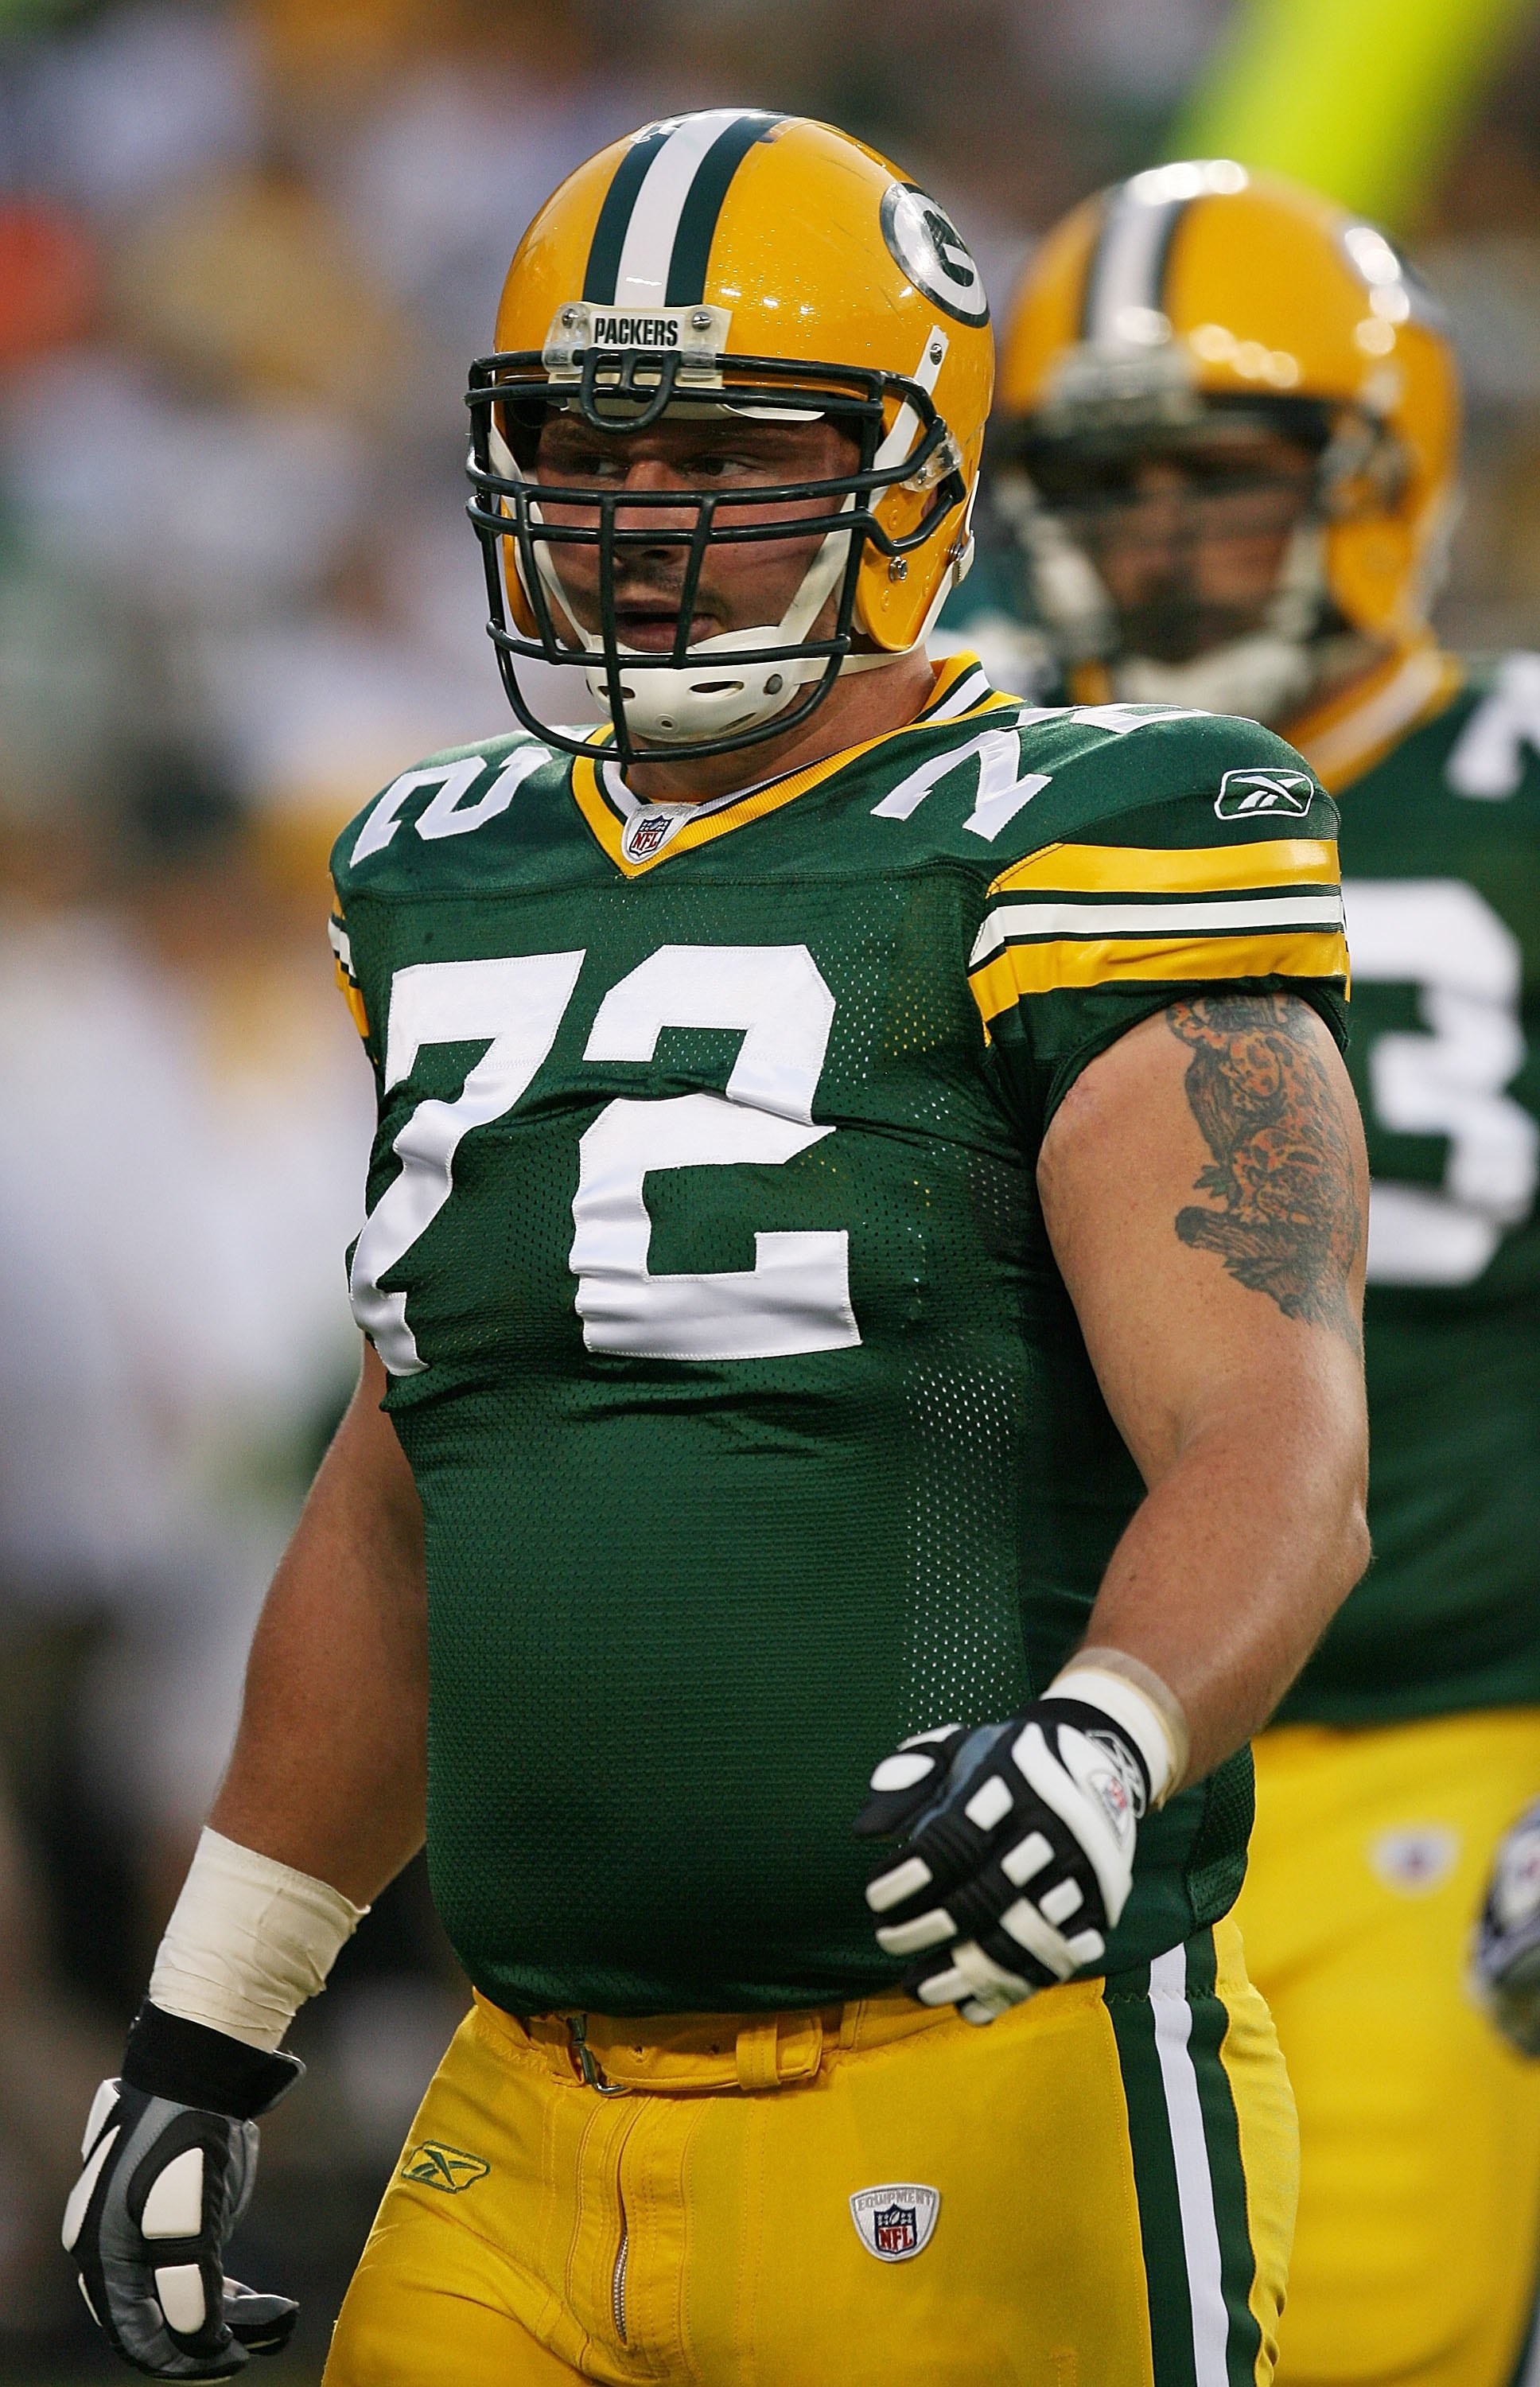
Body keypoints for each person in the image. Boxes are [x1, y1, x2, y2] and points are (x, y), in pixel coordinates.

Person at [63, 115, 1369, 2386]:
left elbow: (1274, 1426)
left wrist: (1101, 1741)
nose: (636, 524)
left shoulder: (1092, 831)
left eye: (726, 456)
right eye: (585, 447)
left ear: (918, 479)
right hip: (522, 2085)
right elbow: (409, 1490)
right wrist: (211, 2018)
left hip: (979, 2081)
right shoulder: (440, 863)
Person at [966, 158, 1540, 2387]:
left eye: (1227, 475)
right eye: (1117, 484)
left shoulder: (1507, 782)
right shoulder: (984, 795)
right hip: (1061, 1749)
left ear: (1376, 476)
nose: (1172, 539)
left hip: (1441, 1740)